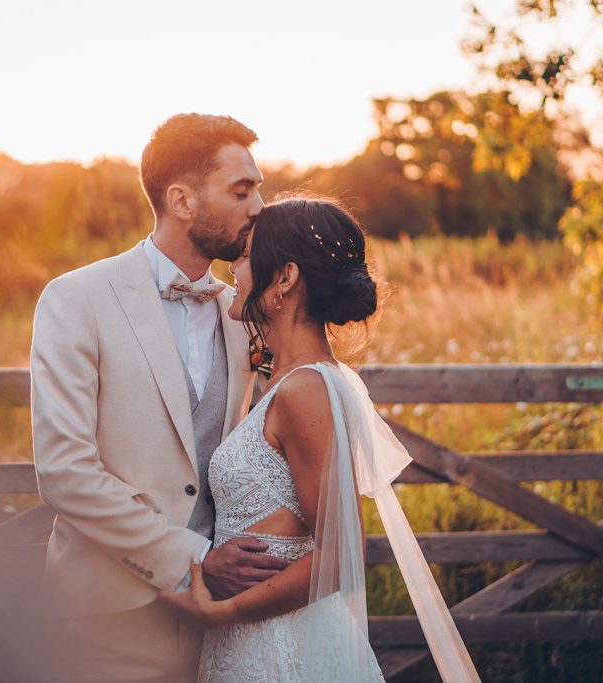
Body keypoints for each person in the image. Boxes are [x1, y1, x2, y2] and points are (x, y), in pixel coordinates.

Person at [159, 196, 481, 682]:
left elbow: (337, 557)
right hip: (253, 640)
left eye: (245, 255)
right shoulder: (285, 381)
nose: (234, 268)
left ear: (285, 278)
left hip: (279, 645)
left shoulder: (305, 390)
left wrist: (223, 614)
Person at [30, 113, 290, 682]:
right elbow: (65, 471)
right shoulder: (77, 299)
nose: (257, 209)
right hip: (109, 618)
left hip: (227, 621)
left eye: (259, 191)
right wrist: (192, 558)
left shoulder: (240, 310)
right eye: (241, 191)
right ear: (182, 200)